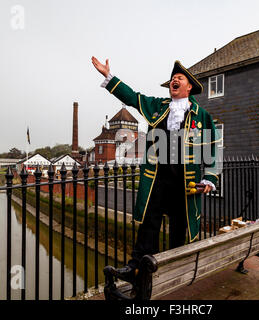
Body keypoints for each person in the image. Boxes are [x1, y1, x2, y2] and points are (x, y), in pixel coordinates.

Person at [91, 57, 221, 282]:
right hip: (157, 180)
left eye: (179, 78)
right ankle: (136, 269)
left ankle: (175, 269)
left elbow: (213, 149)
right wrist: (109, 76)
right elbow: (132, 97)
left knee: (180, 230)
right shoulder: (158, 107)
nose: (174, 81)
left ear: (189, 86)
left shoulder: (202, 116)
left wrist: (209, 178)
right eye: (172, 79)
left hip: (185, 184)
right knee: (148, 226)